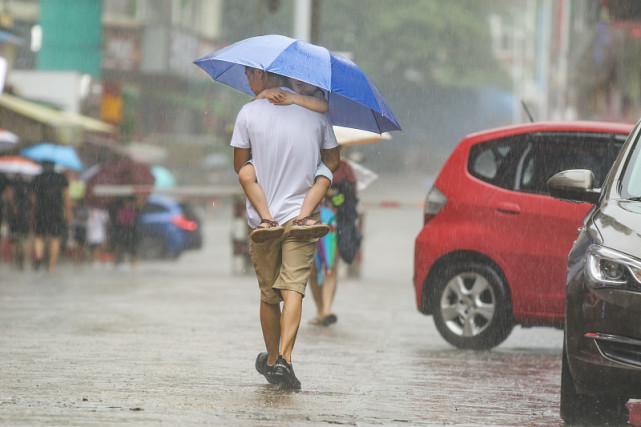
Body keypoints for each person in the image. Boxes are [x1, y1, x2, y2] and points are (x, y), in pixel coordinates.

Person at [232, 67, 340, 389]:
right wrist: (315, 168)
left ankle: (270, 359)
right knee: (293, 288)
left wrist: (260, 163)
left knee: (269, 295)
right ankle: (284, 360)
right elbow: (334, 160)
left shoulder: (248, 112)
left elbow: (239, 165)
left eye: (250, 74)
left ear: (265, 76)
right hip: (301, 218)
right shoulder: (316, 115)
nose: (248, 80)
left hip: (264, 221)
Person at [238, 78, 333, 243]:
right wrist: (263, 95)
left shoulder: (314, 99)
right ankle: (267, 219)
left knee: (323, 179)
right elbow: (250, 110)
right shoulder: (261, 104)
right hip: (264, 157)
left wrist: (294, 98)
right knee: (245, 174)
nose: (301, 83)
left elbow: (324, 106)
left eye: (305, 81)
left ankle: (303, 218)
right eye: (296, 81)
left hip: (309, 161)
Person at [308, 159, 360, 326]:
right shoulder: (308, 162)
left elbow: (349, 201)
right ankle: (320, 309)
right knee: (313, 267)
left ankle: (326, 310)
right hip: (310, 221)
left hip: (334, 225)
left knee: (331, 266)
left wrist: (332, 194)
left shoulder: (345, 169)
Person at [31, 161, 72, 273]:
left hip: (41, 210)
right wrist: (68, 211)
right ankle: (51, 266)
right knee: (55, 238)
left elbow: (33, 197)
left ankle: (39, 256)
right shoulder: (61, 178)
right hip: (56, 211)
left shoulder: (38, 178)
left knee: (39, 236)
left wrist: (34, 210)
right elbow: (66, 195)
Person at [6, 174, 32, 270]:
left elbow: (8, 196)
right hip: (25, 213)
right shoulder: (28, 184)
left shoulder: (10, 183)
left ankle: (14, 259)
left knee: (13, 237)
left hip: (14, 215)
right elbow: (32, 199)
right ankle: (26, 259)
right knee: (25, 237)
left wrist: (13, 206)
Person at [112, 196, 139, 270]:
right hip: (122, 231)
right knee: (120, 248)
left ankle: (133, 262)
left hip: (130, 231)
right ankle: (117, 262)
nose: (128, 204)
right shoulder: (120, 210)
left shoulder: (134, 210)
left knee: (131, 248)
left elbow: (134, 221)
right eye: (126, 202)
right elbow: (119, 221)